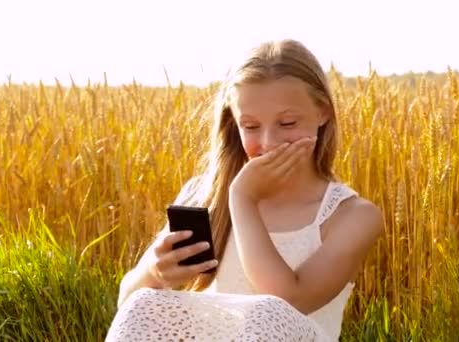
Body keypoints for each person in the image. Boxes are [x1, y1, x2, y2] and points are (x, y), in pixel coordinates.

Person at [105, 38, 383, 342]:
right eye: (250, 126)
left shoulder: (352, 216)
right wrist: (154, 273)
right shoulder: (204, 195)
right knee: (144, 302)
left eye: (288, 123)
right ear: (234, 122)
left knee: (268, 313)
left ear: (323, 113)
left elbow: (285, 305)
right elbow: (129, 305)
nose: (269, 141)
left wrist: (243, 199)